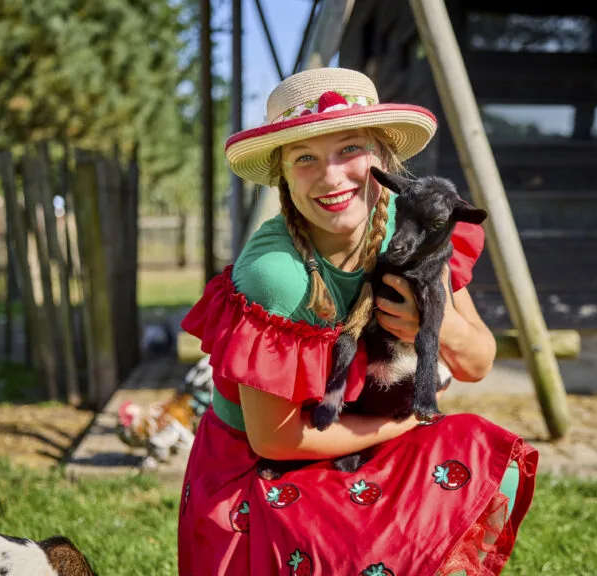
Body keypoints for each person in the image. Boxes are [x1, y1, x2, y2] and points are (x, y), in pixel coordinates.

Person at [177, 67, 538, 575]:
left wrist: (428, 328)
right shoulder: (276, 276)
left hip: (362, 437)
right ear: (283, 173)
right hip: (264, 472)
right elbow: (277, 440)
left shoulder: (413, 222)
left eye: (349, 149)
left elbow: (476, 362)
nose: (331, 177)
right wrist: (413, 417)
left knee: (479, 452)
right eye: (305, 158)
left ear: (383, 158)